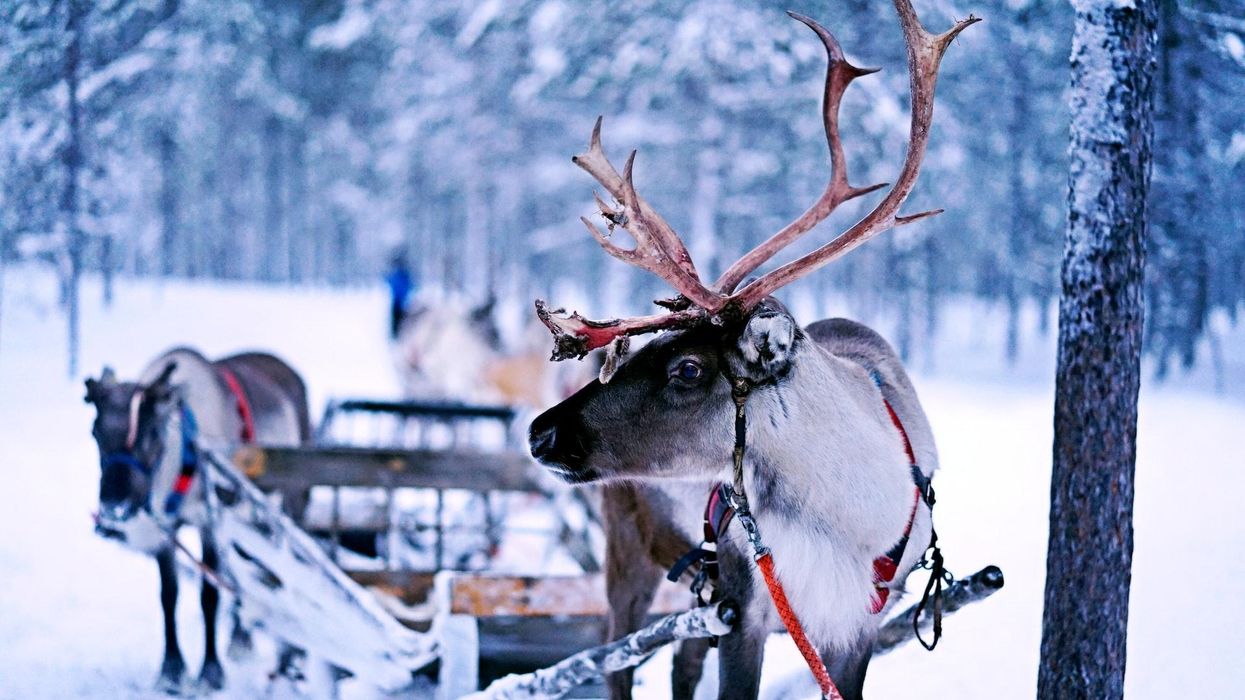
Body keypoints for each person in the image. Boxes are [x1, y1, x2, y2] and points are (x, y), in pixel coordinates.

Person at [384, 253, 415, 340]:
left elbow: (390, 283)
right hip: (402, 302)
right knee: (401, 321)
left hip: (399, 302)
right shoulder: (404, 275)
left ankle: (397, 336)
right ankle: (398, 336)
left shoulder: (399, 275)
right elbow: (410, 286)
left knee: (399, 321)